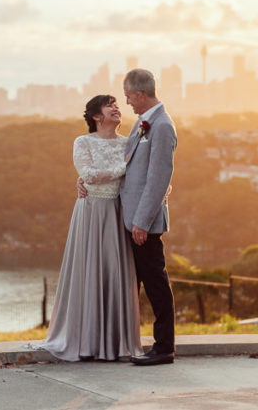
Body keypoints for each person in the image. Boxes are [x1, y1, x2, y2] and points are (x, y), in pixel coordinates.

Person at [40, 95, 143, 361]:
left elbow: (140, 174)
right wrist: (124, 168)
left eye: (118, 105)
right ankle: (86, 341)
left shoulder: (129, 142)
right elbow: (88, 175)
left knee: (114, 274)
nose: (117, 109)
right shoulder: (83, 142)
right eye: (111, 106)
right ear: (97, 116)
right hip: (91, 213)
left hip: (119, 212)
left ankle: (113, 343)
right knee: (89, 272)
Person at [120, 68, 177, 366]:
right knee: (138, 284)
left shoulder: (162, 126)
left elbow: (157, 179)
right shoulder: (143, 123)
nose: (127, 101)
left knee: (156, 284)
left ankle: (164, 347)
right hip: (132, 222)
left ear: (141, 94)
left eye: (128, 95)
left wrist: (141, 222)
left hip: (145, 224)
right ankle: (131, 342)